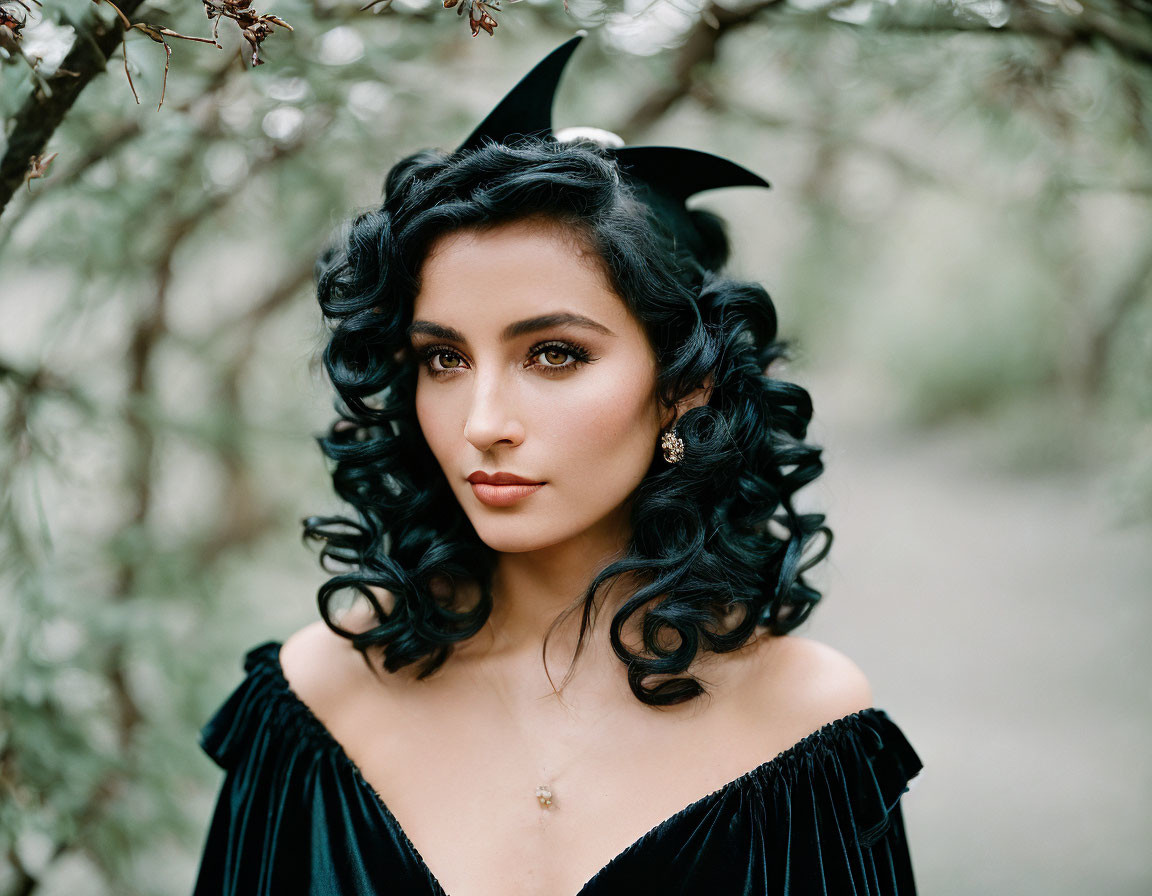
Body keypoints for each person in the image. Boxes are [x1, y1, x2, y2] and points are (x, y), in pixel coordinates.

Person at [191, 34, 923, 896]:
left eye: (554, 355)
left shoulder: (804, 729)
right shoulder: (317, 701)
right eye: (444, 360)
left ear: (685, 387)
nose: (483, 423)